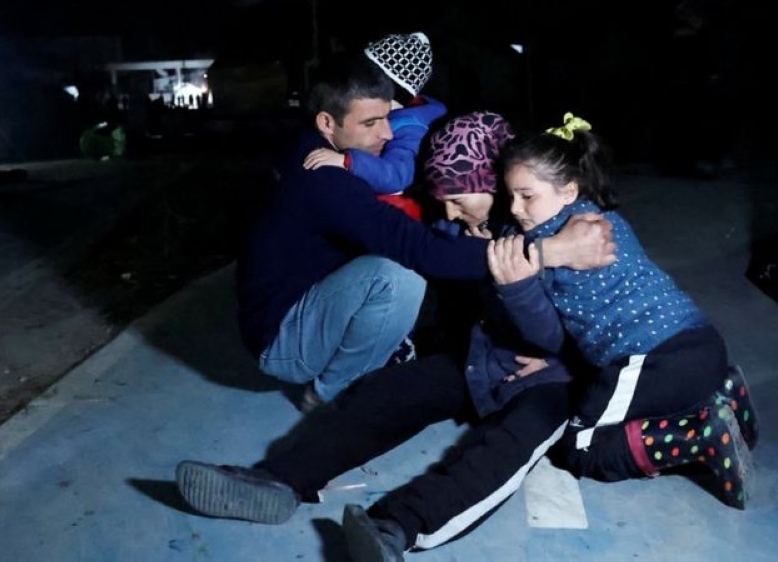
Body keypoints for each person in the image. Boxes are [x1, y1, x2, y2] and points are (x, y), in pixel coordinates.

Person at [177, 111, 589, 561]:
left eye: (455, 197)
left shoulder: (574, 229)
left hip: (552, 381)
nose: (449, 211)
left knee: (504, 449)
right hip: (484, 358)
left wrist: (564, 360)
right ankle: (280, 479)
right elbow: (452, 306)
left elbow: (617, 324)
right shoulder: (466, 228)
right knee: (388, 393)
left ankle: (395, 528)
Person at [236, 56, 616, 412]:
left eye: (388, 117)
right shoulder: (324, 179)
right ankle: (331, 397)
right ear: (326, 123)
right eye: (369, 124)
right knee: (398, 278)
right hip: (284, 341)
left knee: (416, 267)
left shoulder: (318, 150)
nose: (386, 133)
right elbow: (418, 249)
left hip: (299, 305)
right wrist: (551, 250)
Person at [487, 113, 759, 509]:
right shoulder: (602, 219)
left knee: (580, 449)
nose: (514, 208)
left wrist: (516, 275)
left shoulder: (544, 245)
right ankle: (722, 393)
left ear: (567, 191)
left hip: (653, 362)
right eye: (509, 195)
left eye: (527, 196)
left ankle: (698, 435)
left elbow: (540, 329)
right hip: (703, 345)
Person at [302, 32, 446, 221]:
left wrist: (347, 161)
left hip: (400, 212)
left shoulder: (411, 128)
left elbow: (396, 177)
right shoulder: (404, 116)